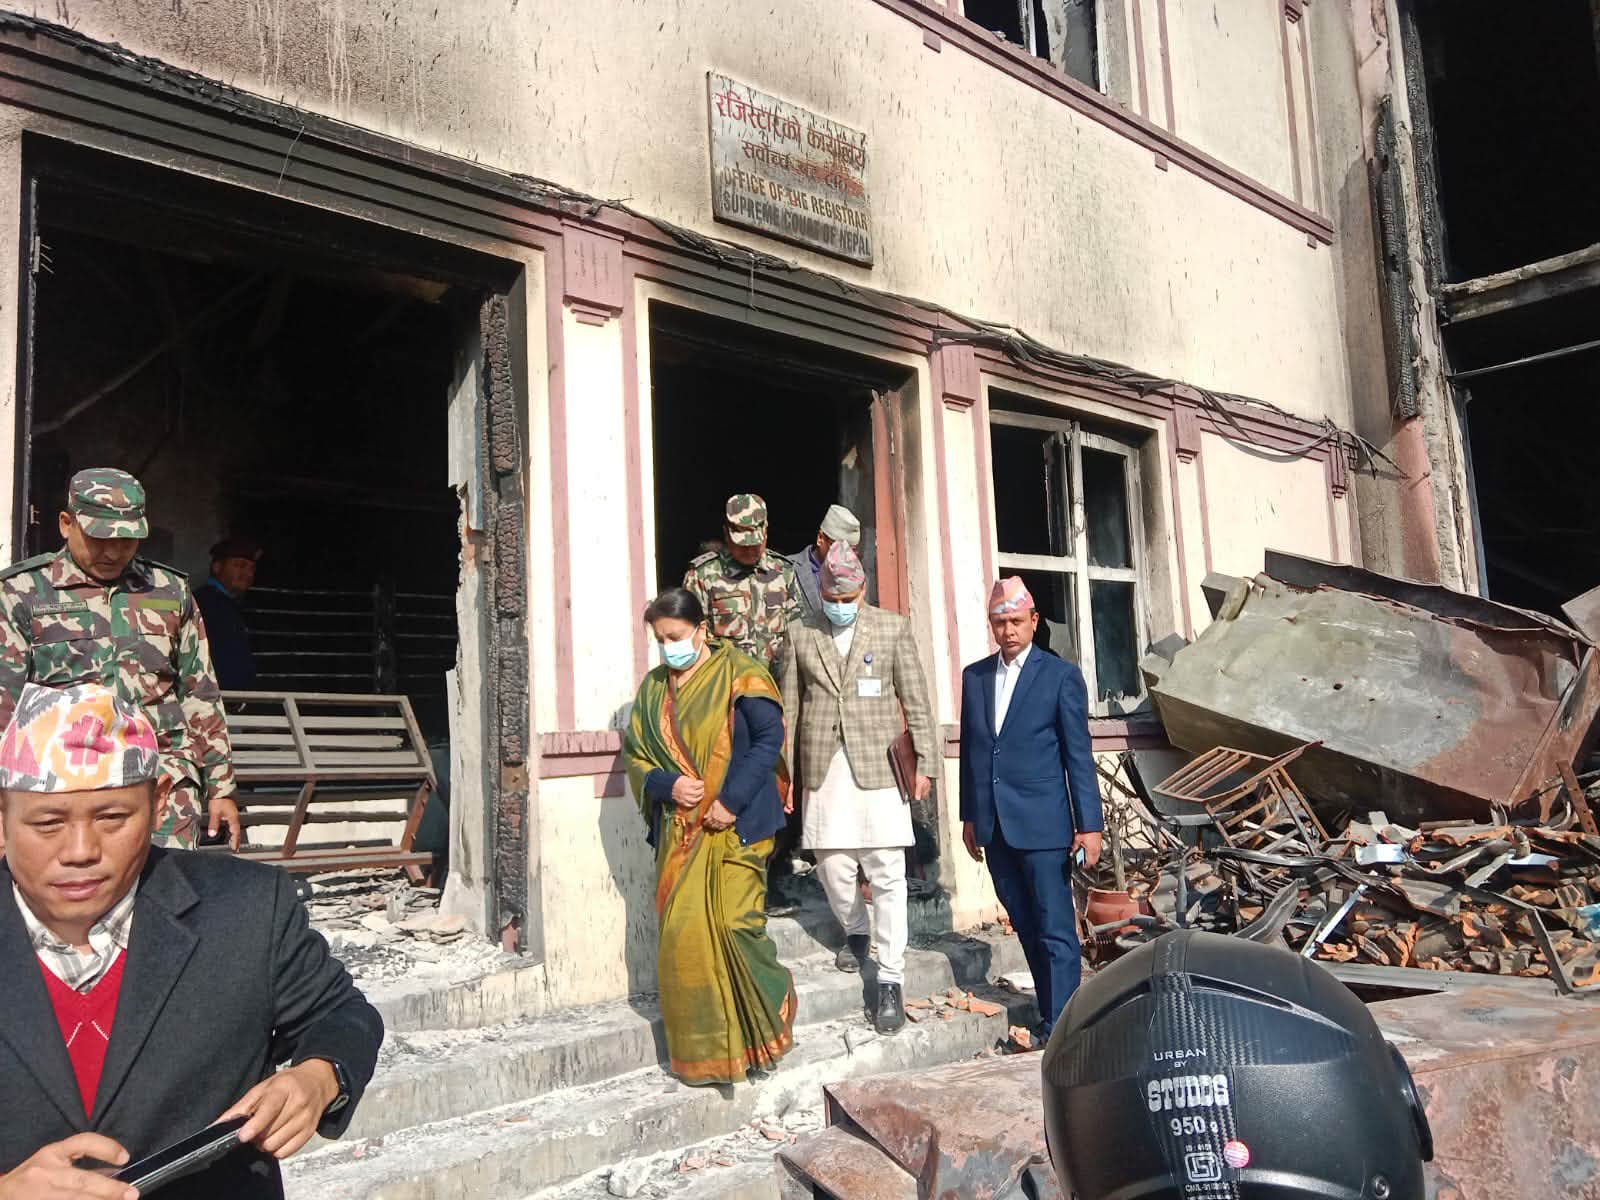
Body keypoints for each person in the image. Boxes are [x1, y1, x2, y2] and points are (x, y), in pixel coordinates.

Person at [0, 681, 382, 1199]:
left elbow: (339, 1013)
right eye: (48, 824)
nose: (81, 851)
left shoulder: (245, 909)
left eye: (113, 818)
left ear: (159, 802)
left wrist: (319, 1078)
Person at [0, 469, 239, 851]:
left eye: (127, 540)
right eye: (100, 538)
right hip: (65, 789)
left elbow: (200, 691)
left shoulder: (169, 591)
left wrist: (221, 787)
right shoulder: (21, 593)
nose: (113, 552)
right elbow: (5, 708)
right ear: (66, 524)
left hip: (164, 783)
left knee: (167, 886)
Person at [621, 587, 796, 1085]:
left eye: (675, 636)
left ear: (701, 629)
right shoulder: (654, 691)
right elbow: (637, 757)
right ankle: (711, 1056)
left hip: (739, 826)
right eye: (660, 640)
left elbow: (769, 740)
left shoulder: (740, 673)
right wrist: (666, 785)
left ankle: (768, 1022)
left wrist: (729, 801)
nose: (668, 648)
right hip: (681, 835)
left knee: (737, 927)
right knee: (686, 939)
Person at [779, 543, 936, 1035]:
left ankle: (890, 979)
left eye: (847, 597)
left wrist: (926, 764)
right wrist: (785, 775)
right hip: (823, 769)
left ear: (863, 589)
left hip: (879, 769)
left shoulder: (891, 629)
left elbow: (916, 699)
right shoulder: (801, 633)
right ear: (820, 591)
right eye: (831, 597)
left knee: (887, 873)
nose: (839, 605)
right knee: (833, 868)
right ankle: (856, 929)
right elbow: (789, 709)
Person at [958, 577, 1103, 1039]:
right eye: (999, 623)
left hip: (1044, 824)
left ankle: (1063, 1026)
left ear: (1034, 621)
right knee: (1023, 922)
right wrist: (969, 815)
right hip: (994, 824)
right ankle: (1050, 1011)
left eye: (1017, 621)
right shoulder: (976, 678)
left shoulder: (1059, 676)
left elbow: (1077, 756)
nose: (1008, 631)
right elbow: (973, 752)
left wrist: (1090, 825)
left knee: (1054, 926)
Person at [682, 494, 801, 676]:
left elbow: (798, 632)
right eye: (742, 544)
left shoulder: (783, 573)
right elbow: (691, 637)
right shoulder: (702, 576)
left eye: (755, 543)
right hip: (726, 681)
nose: (749, 550)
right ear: (726, 534)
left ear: (766, 532)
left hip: (776, 683)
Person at [194, 537, 263, 692]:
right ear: (217, 567)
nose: (247, 573)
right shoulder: (202, 603)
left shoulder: (235, 605)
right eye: (239, 565)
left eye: (251, 568)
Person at [781, 504, 861, 623]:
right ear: (820, 538)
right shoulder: (786, 570)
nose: (844, 554)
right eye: (837, 546)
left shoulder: (857, 576)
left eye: (851, 549)